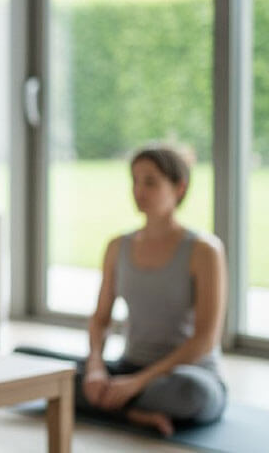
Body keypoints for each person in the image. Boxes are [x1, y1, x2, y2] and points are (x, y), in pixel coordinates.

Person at [18, 146, 227, 435]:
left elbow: (205, 341)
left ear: (179, 187)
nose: (139, 190)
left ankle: (119, 406)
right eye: (135, 180)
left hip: (183, 376)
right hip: (128, 366)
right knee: (23, 360)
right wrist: (95, 367)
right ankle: (135, 413)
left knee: (193, 395)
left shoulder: (205, 251)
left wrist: (136, 384)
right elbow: (101, 318)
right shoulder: (118, 246)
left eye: (150, 182)